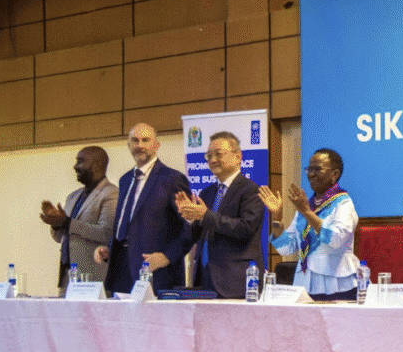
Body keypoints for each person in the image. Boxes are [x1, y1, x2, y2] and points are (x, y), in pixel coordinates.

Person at [95, 123, 191, 294]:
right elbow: (128, 223)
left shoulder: (172, 179)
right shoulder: (125, 180)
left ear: (156, 145)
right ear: (129, 145)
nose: (140, 145)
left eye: (145, 140)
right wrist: (111, 249)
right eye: (135, 140)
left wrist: (167, 257)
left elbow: (189, 228)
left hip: (156, 273)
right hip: (121, 270)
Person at [258, 148, 359, 301]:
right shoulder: (306, 206)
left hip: (337, 283)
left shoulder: (343, 203)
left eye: (317, 169)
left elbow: (335, 239)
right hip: (304, 283)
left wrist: (307, 212)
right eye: (309, 169)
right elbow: (286, 248)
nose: (310, 174)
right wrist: (277, 216)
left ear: (335, 174)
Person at [175, 131, 264, 298]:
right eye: (208, 156)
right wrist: (190, 218)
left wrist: (205, 215)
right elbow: (199, 235)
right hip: (204, 278)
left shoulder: (251, 190)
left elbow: (245, 228)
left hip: (236, 281)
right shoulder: (207, 193)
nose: (213, 160)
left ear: (238, 156)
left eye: (218, 154)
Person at [40, 146, 117, 291]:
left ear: (97, 164)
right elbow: (60, 238)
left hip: (94, 281)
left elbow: (107, 233)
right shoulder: (72, 197)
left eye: (81, 161)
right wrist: (56, 225)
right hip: (67, 279)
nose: (75, 166)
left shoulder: (111, 194)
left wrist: (67, 222)